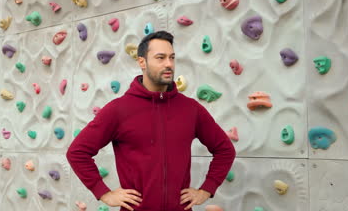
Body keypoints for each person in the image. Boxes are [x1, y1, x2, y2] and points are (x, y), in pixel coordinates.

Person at [67, 31, 236, 211]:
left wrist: (206, 189)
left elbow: (225, 150)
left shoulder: (191, 109)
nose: (169, 64)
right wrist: (104, 193)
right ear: (142, 62)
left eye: (172, 57)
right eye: (160, 58)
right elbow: (77, 152)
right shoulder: (118, 109)